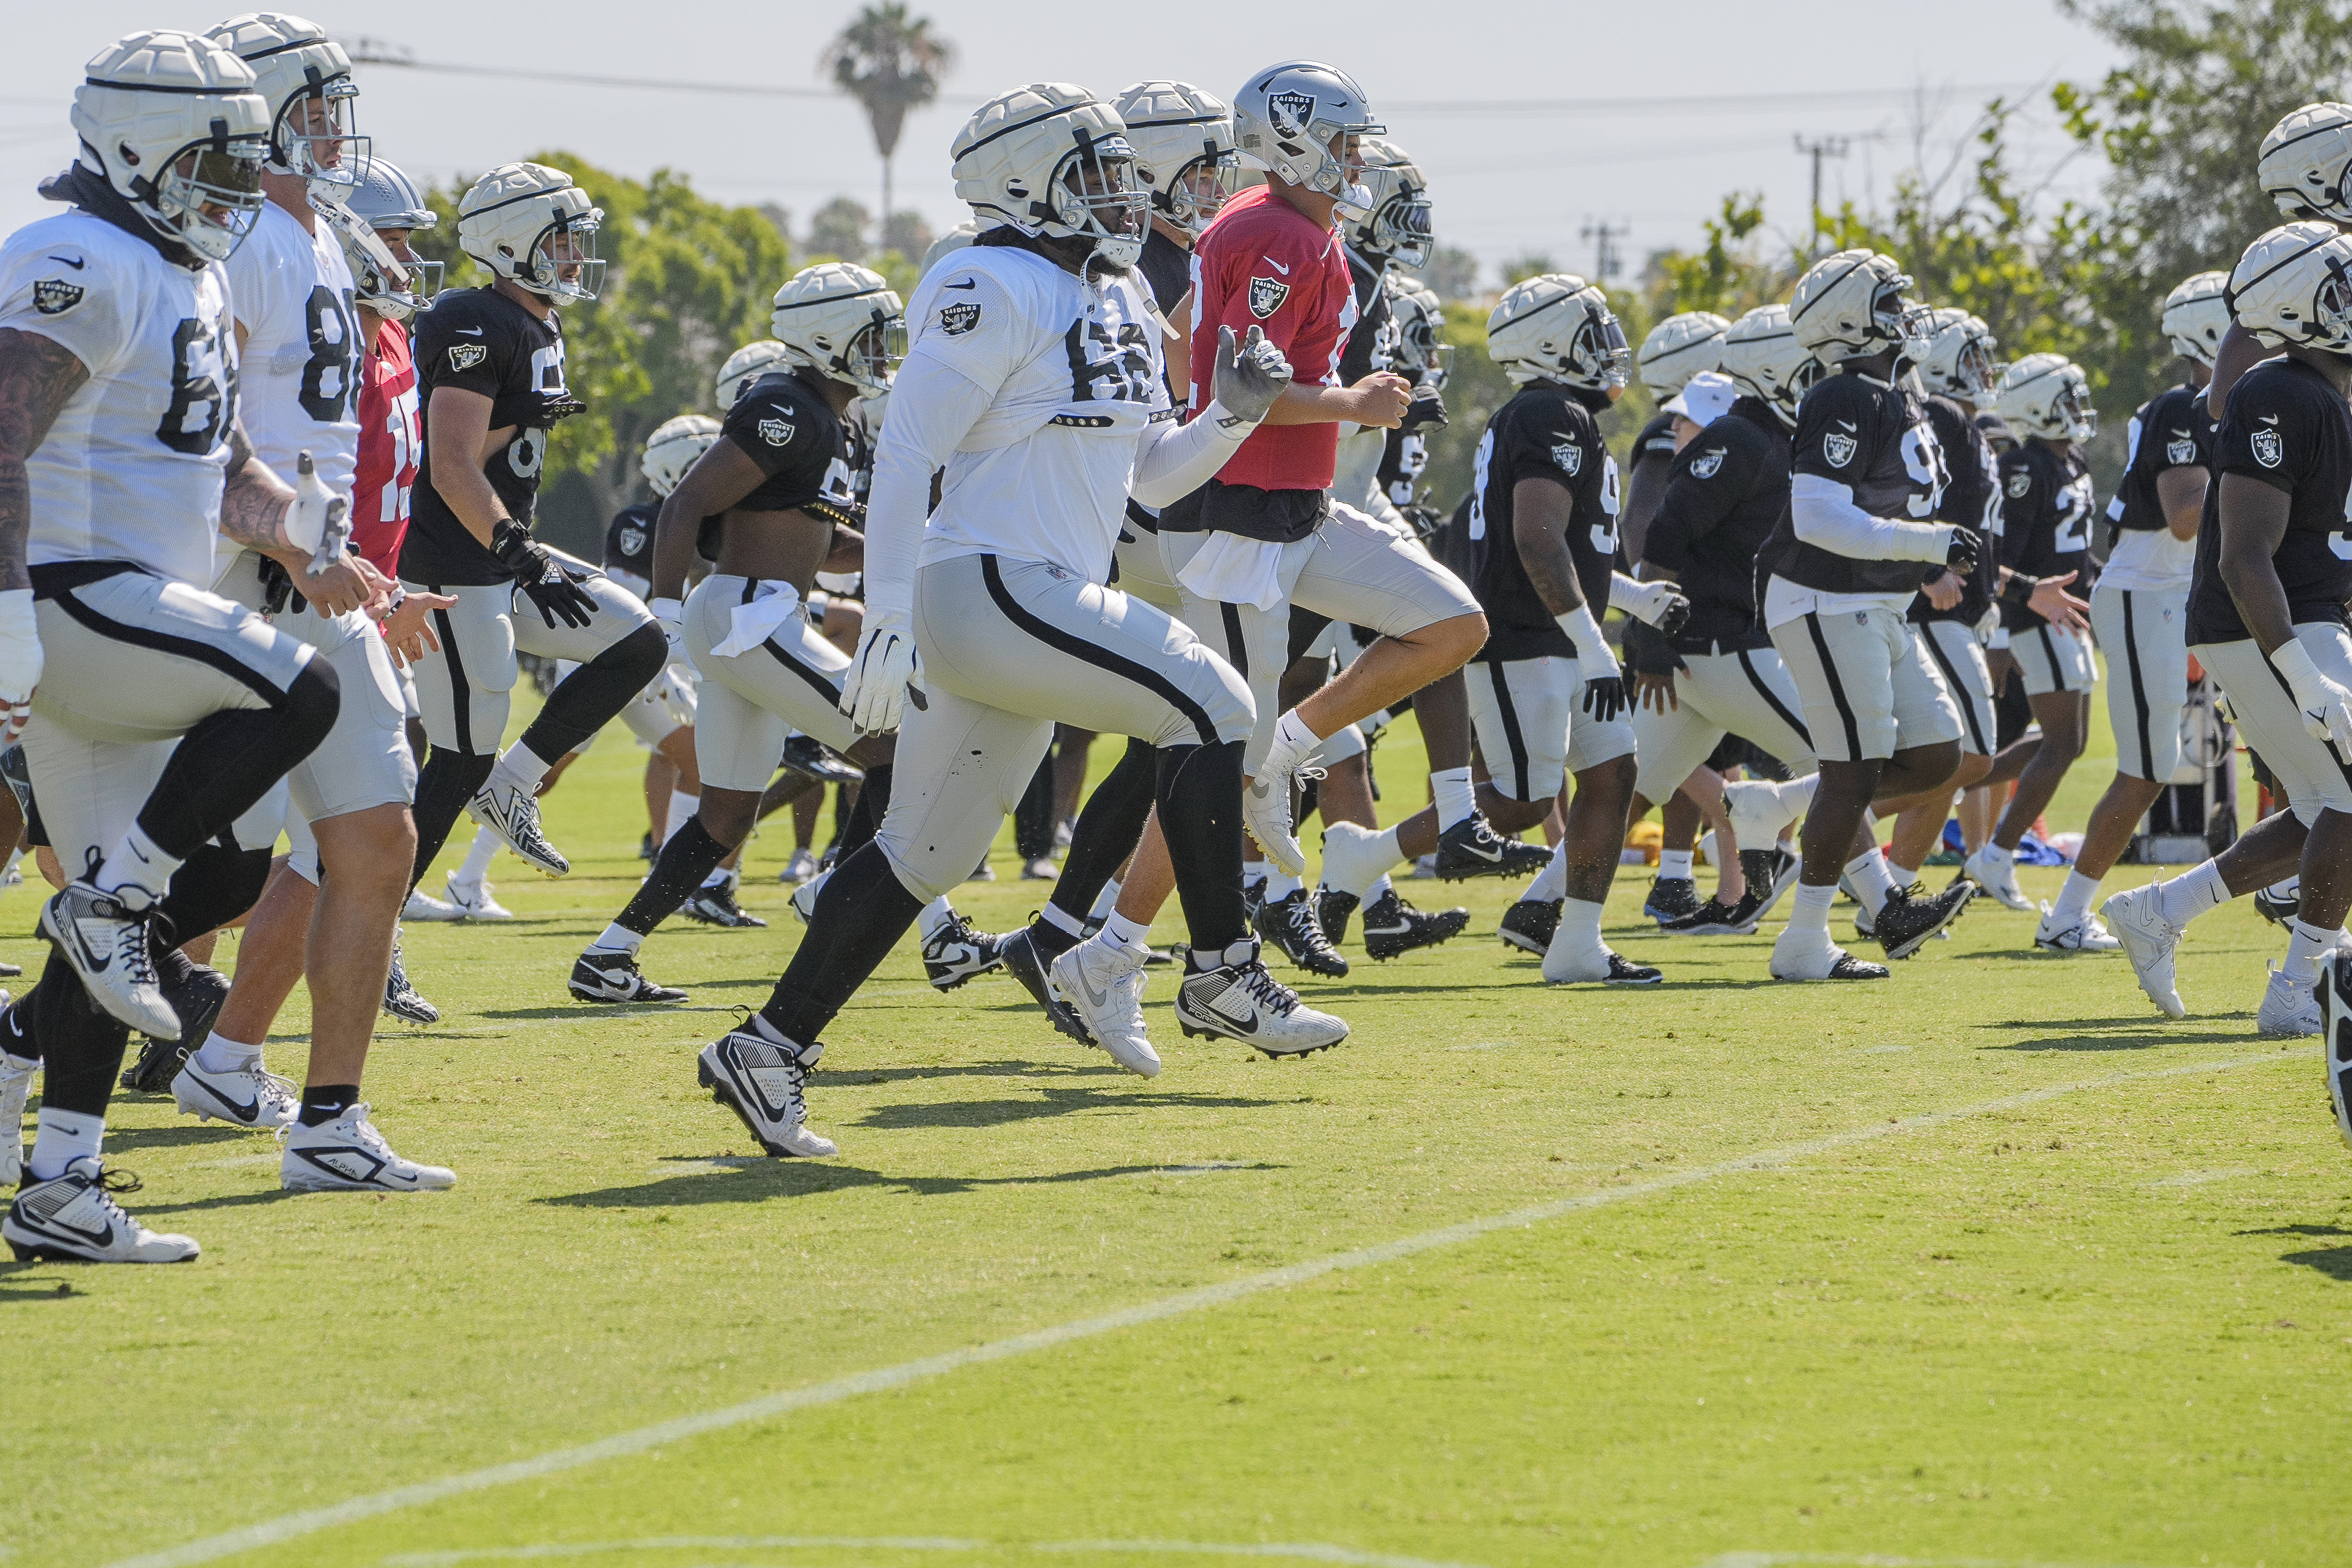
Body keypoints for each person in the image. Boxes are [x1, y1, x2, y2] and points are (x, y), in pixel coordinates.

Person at [695, 84, 1341, 1159]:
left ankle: (767, 1047)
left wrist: (1232, 412)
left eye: (1121, 171)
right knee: (1218, 705)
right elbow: (906, 455)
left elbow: (1152, 483)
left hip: (1030, 596)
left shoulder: (1117, 294)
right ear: (1018, 181)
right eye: (1094, 171)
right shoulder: (987, 279)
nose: (1123, 193)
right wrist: (889, 610)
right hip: (989, 584)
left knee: (925, 851)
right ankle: (1223, 972)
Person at [0, 28, 352, 1261]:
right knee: (302, 689)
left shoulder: (180, 267)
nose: (240, 185)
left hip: (114, 606)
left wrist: (293, 526)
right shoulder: (74, 258)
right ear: (138, 145)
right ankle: (119, 902)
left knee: (112, 941)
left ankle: (60, 1187)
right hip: (64, 596)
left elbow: (214, 458)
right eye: (217, 159)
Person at [158, 13, 456, 1195]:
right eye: (318, 107)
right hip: (238, 580)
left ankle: (325, 1116)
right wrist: (285, 542)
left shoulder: (316, 238)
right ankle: (38, 1044)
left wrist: (357, 567)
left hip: (310, 581)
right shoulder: (244, 241)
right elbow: (197, 430)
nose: (336, 131)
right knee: (165, 870)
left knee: (378, 838)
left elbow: (311, 438)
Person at [572, 263, 1003, 1004]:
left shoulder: (836, 421)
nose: (884, 350)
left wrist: (915, 538)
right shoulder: (787, 405)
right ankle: (878, 905)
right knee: (894, 747)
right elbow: (687, 505)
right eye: (872, 334)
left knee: (728, 812)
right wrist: (666, 616)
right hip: (749, 614)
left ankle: (610, 954)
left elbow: (819, 544)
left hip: (761, 617)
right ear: (827, 337)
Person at [397, 161, 667, 903]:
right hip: (454, 564)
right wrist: (517, 549)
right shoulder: (472, 319)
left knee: (637, 641)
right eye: (562, 240)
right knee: (454, 761)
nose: (576, 256)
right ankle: (372, 939)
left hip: (499, 556)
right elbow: (450, 465)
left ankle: (512, 787)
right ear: (513, 244)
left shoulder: (537, 321)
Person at [2109, 223, 2352, 1036]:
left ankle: (2158, 908)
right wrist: (2303, 670)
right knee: (2348, 799)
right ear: (2301, 305)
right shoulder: (2277, 391)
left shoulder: (2327, 391)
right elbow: (2244, 553)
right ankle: (2298, 987)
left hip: (2299, 619)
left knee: (2327, 804)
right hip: (2266, 620)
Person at [1739, 250, 1985, 980]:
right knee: (1853, 770)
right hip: (1826, 598)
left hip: (1879, 602)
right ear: (1850, 323)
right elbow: (1817, 517)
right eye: (1888, 304)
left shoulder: (1894, 392)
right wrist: (1931, 542)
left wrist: (1923, 554)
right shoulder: (1844, 394)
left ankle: (1779, 806)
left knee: (1940, 756)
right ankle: (1806, 941)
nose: (1904, 315)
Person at [1613, 306, 1820, 940]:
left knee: (1643, 779)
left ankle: (1545, 907)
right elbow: (1653, 532)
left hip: (1708, 632)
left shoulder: (1757, 432)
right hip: (1702, 635)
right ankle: (1876, 901)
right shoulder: (1707, 432)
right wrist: (1650, 626)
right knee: (1843, 758)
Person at [2038, 275, 2226, 951]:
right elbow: (2184, 517)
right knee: (2149, 766)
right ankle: (2066, 915)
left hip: (2178, 597)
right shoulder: (2184, 408)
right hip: (2148, 596)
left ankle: (2291, 892)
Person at [1958, 356, 2100, 911]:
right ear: (2038, 406)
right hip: (2036, 618)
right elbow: (1997, 562)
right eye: (2065, 399)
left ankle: (1962, 783)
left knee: (2071, 742)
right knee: (2063, 743)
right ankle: (1996, 853)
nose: (2075, 410)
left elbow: (2075, 544)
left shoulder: (2075, 459)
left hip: (2069, 614)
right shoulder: (2024, 467)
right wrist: (2008, 625)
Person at [1879, 309, 2004, 906]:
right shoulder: (1941, 417)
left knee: (1946, 761)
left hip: (1959, 609)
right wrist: (1928, 570)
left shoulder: (1965, 423)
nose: (1984, 369)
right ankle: (1819, 830)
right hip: (1934, 612)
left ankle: (1893, 892)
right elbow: (1908, 496)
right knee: (1972, 757)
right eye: (1973, 356)